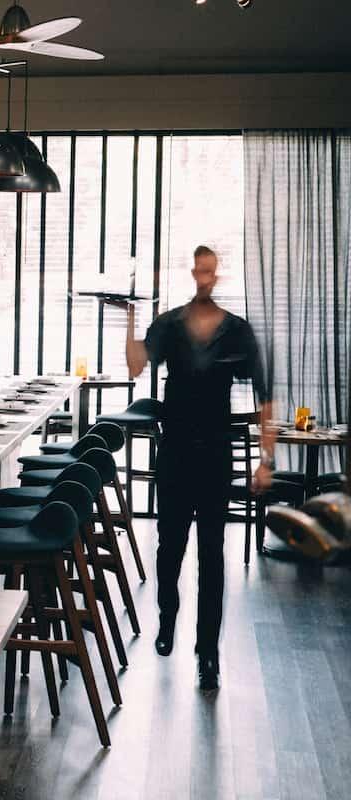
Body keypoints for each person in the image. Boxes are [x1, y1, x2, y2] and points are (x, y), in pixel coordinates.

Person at [116, 245, 275, 693]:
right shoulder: (168, 324)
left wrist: (266, 461)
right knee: (170, 548)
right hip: (175, 454)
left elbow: (265, 396)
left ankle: (208, 653)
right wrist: (130, 316)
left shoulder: (237, 331)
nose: (205, 277)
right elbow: (134, 366)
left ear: (216, 275)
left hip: (215, 458)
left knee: (211, 556)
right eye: (199, 270)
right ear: (193, 273)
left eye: (211, 271)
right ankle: (168, 615)